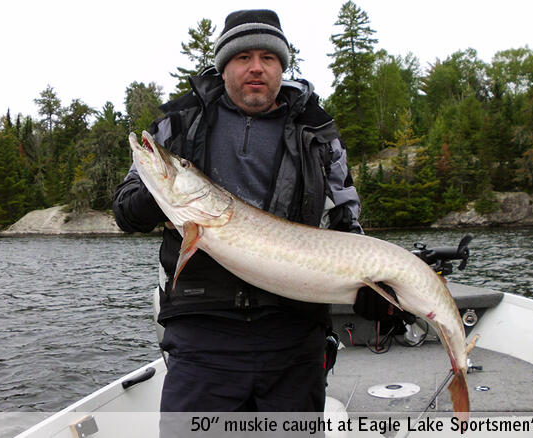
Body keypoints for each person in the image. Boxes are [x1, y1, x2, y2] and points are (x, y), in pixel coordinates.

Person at [113, 9, 387, 414]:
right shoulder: (178, 124)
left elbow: (346, 221)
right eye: (243, 57)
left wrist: (373, 287)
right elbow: (125, 212)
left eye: (268, 58)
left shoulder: (317, 134)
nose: (256, 68)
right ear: (224, 67)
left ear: (282, 67)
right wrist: (163, 193)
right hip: (202, 331)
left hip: (293, 335)